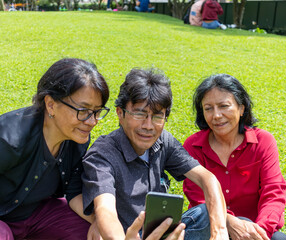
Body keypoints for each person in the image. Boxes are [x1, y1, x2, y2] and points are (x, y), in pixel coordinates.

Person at [0, 58, 110, 240]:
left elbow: (74, 190)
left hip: (35, 215)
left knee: (88, 230)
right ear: (51, 104)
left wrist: (99, 222)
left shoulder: (77, 137)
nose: (92, 122)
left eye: (97, 111)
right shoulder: (8, 141)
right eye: (83, 110)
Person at [82, 68, 229, 240]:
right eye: (139, 114)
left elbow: (206, 178)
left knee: (204, 214)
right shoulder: (103, 154)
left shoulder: (163, 141)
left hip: (163, 233)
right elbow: (105, 209)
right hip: (127, 235)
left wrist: (220, 231)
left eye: (158, 116)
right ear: (120, 113)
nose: (148, 126)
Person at [183, 74, 286, 240]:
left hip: (255, 229)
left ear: (241, 108)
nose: (216, 115)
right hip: (210, 229)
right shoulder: (193, 146)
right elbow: (198, 197)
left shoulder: (263, 142)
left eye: (224, 106)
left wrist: (258, 232)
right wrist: (229, 222)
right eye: (208, 108)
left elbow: (273, 192)